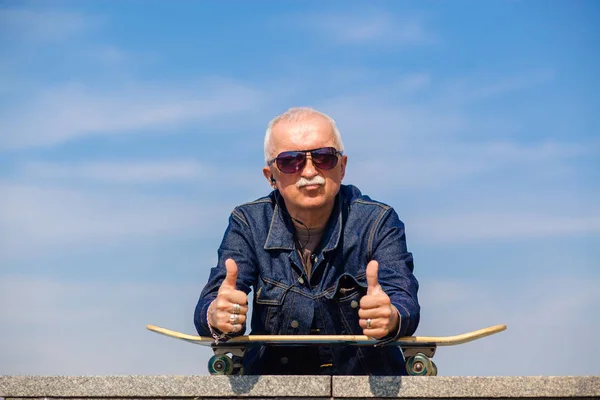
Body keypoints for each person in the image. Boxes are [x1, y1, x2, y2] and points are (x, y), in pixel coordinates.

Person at [194, 107, 420, 375]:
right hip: (273, 388)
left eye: (324, 158)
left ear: (343, 167)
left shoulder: (378, 222)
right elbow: (211, 303)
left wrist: (391, 317)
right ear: (271, 177)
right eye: (291, 162)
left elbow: (404, 302)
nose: (310, 171)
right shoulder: (249, 223)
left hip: (367, 387)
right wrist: (217, 316)